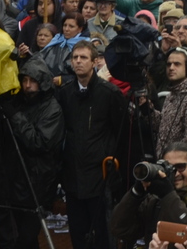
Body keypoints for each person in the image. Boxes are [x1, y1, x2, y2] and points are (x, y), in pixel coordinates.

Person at [0, 58, 65, 249]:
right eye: (24, 80)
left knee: (27, 237)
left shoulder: (52, 109)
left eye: (32, 81)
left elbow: (38, 142)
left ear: (42, 82)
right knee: (12, 236)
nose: (27, 86)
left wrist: (15, 116)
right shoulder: (17, 102)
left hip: (37, 183)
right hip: (12, 180)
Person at [58, 40, 128, 249]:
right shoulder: (65, 92)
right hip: (73, 176)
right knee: (78, 232)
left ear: (95, 61)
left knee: (103, 234)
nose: (78, 62)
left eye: (83, 57)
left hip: (100, 176)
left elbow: (121, 132)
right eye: (75, 58)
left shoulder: (109, 93)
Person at [112, 140, 187, 246]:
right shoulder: (154, 201)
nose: (175, 174)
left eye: (180, 167)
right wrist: (136, 192)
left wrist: (168, 195)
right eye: (168, 168)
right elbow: (119, 228)